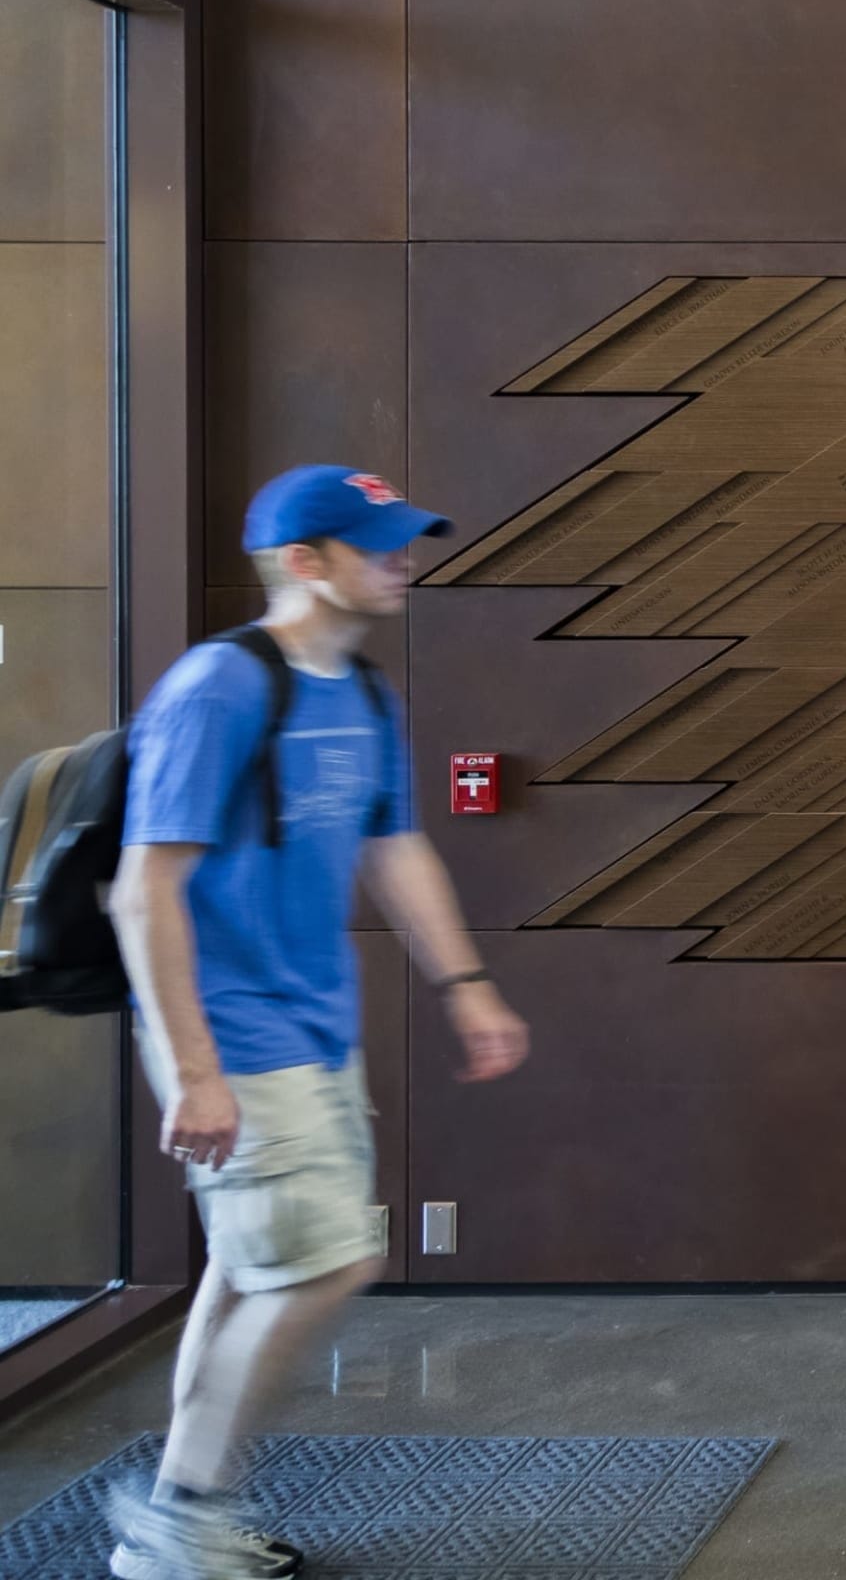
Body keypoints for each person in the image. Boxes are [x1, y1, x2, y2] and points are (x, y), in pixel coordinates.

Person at [105, 467, 530, 1580]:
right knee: (329, 1263)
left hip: (313, 1027)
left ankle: (179, 1502)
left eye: (404, 541)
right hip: (232, 1027)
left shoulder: (364, 693)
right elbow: (141, 890)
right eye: (376, 543)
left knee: (252, 1272)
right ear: (305, 561)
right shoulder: (221, 688)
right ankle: (181, 1516)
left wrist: (466, 984)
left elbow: (396, 849)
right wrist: (195, 1069)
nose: (403, 558)